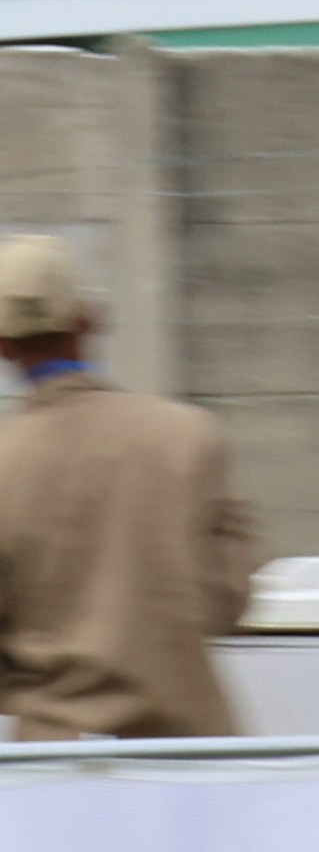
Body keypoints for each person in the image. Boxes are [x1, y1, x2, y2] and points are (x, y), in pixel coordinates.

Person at [0, 237, 257, 743]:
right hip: (185, 753)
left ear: (3, 347)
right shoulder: (191, 436)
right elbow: (227, 600)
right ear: (91, 319)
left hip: (55, 760)